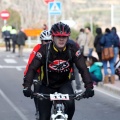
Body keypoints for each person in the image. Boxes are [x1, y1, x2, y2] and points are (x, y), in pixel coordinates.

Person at [23, 22, 94, 120]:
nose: (61, 39)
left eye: (64, 37)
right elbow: (32, 68)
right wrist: (27, 86)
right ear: (53, 37)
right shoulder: (44, 50)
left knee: (70, 106)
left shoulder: (72, 49)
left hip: (64, 84)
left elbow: (83, 68)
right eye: (58, 36)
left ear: (68, 38)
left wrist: (89, 86)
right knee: (44, 117)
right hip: (47, 85)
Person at [24, 30, 52, 118]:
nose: (48, 42)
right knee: (37, 87)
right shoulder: (37, 48)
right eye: (46, 41)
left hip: (51, 72)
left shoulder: (56, 48)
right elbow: (30, 63)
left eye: (50, 40)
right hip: (38, 71)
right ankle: (38, 109)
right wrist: (26, 76)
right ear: (41, 41)